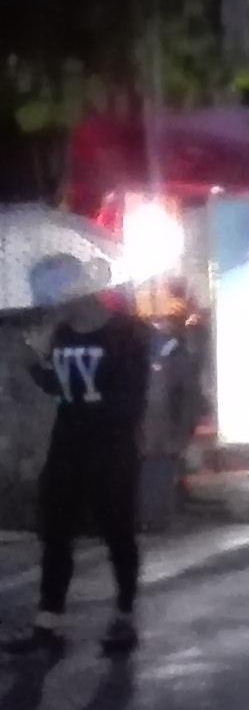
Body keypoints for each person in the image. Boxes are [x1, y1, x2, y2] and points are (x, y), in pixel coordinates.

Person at [13, 256, 156, 660]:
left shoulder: (126, 333)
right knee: (55, 532)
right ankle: (48, 622)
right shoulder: (61, 334)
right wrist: (34, 366)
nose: (52, 306)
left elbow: (131, 397)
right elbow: (62, 387)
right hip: (67, 447)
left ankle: (124, 615)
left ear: (77, 292)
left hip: (111, 450)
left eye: (55, 297)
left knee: (117, 532)